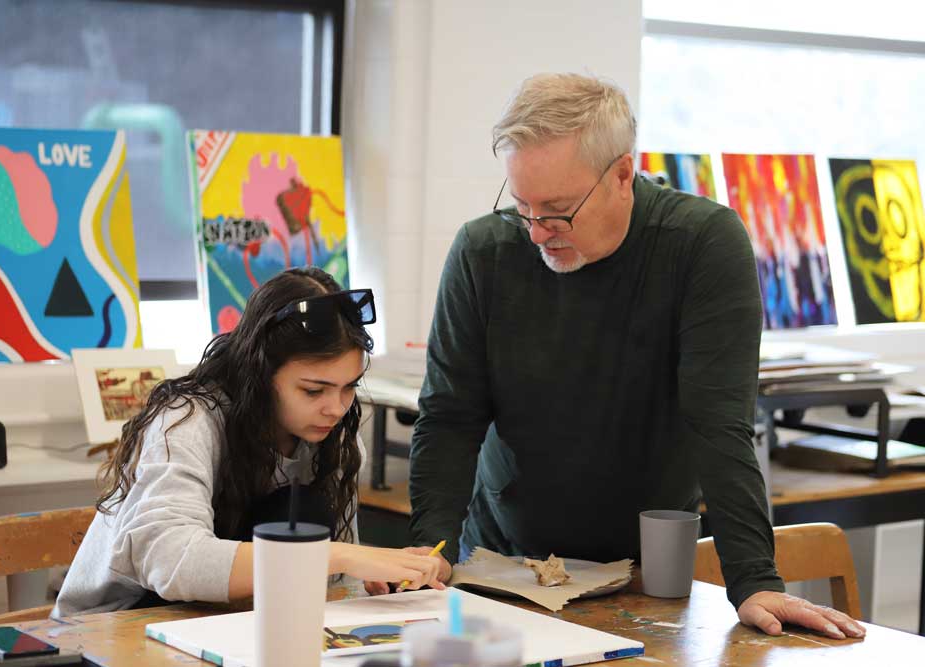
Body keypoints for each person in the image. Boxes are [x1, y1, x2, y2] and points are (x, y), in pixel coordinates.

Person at [409, 73, 864, 640]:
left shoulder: (699, 244)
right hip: (504, 563)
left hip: (647, 573)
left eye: (557, 210)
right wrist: (428, 552)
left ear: (623, 175)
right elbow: (449, 416)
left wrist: (754, 580)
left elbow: (718, 424)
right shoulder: (484, 251)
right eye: (522, 206)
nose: (538, 233)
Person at [54, 267, 444, 617]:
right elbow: (169, 559)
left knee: (305, 513)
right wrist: (333, 555)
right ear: (260, 373)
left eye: (349, 387)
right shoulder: (187, 421)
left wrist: (382, 574)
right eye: (313, 390)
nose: (337, 408)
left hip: (229, 619)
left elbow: (330, 578)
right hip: (117, 624)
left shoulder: (334, 439)